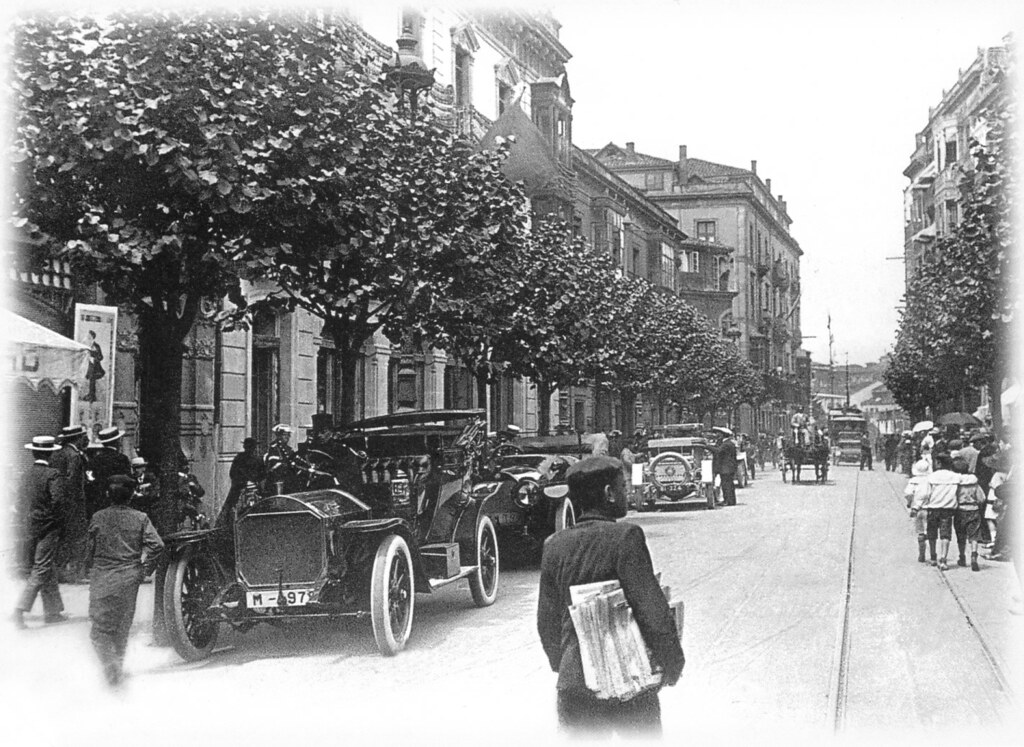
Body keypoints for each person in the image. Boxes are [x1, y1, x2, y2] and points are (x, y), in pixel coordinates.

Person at [537, 456, 684, 736]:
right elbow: (651, 611)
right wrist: (672, 662)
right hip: (628, 680)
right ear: (609, 493)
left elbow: (546, 621)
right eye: (624, 487)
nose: (627, 494)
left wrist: (567, 668)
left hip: (576, 685)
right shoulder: (626, 536)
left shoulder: (554, 545)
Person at [86, 474, 164, 687]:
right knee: (123, 625)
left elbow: (89, 549)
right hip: (130, 577)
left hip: (103, 576)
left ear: (108, 495)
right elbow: (157, 545)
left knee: (100, 629)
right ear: (131, 496)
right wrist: (145, 570)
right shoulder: (141, 518)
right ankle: (117, 666)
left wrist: (88, 568)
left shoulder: (98, 517)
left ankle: (110, 665)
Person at [14, 436, 69, 628]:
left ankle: (53, 611)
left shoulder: (26, 474)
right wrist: (58, 524)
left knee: (47, 566)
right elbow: (58, 502)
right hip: (49, 527)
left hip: (30, 525)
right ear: (50, 453)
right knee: (42, 568)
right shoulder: (53, 474)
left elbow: (19, 502)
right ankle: (20, 609)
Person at [51, 424, 90, 582]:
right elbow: (72, 481)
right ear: (78, 439)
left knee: (62, 537)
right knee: (78, 537)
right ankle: (75, 573)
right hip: (73, 504)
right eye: (83, 437)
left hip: (58, 503)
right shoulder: (74, 456)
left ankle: (58, 571)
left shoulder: (56, 454)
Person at [922, 452, 964, 571]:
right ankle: (943, 558)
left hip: (933, 508)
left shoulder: (931, 477)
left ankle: (933, 556)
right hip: (948, 509)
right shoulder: (956, 477)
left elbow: (926, 493)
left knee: (932, 533)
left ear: (939, 463)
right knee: (945, 534)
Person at [219, 437, 267, 527]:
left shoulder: (258, 459)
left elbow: (263, 474)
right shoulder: (240, 458)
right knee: (234, 509)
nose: (250, 448)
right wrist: (245, 482)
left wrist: (255, 482)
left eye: (252, 446)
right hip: (240, 489)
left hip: (254, 490)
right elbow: (233, 474)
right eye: (249, 446)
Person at [88, 427, 132, 516]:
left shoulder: (95, 460)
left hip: (99, 499)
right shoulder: (122, 459)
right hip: (118, 499)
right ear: (117, 441)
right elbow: (127, 480)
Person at [951, 456, 984, 571]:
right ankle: (974, 556)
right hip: (973, 510)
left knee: (961, 535)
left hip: (960, 510)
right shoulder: (975, 483)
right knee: (973, 535)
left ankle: (962, 556)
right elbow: (981, 498)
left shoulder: (956, 484)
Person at [906, 458, 932, 563]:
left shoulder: (913, 481)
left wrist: (909, 503)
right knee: (930, 532)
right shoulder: (931, 480)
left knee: (920, 532)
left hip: (917, 509)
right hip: (929, 509)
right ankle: (933, 554)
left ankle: (922, 554)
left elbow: (908, 493)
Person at [265, 424, 303, 493]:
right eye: (285, 435)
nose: (287, 437)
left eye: (288, 435)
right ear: (279, 436)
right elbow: (274, 466)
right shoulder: (274, 448)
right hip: (277, 481)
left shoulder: (289, 449)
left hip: (288, 481)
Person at [711, 430, 738, 507]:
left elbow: (718, 451)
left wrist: (707, 446)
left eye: (718, 434)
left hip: (726, 468)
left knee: (726, 485)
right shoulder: (729, 443)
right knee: (729, 484)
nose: (717, 435)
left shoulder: (726, 444)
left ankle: (728, 501)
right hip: (729, 468)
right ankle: (730, 500)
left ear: (723, 435)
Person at [83, 329, 105, 403]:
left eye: (89, 336)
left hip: (95, 367)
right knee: (90, 380)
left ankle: (92, 396)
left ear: (92, 337)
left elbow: (101, 357)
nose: (87, 337)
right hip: (89, 366)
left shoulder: (96, 346)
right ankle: (91, 394)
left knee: (92, 380)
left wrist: (94, 359)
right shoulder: (88, 344)